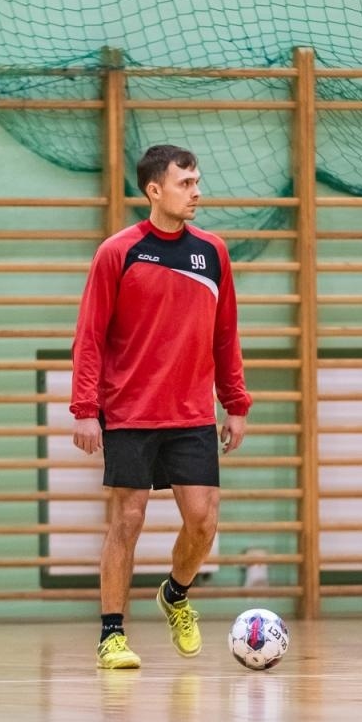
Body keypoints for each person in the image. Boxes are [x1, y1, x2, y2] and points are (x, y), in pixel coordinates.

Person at [70, 144, 251, 670]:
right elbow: (90, 336)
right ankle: (112, 636)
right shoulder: (117, 252)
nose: (196, 192)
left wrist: (235, 402)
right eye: (185, 183)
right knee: (128, 519)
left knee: (203, 521)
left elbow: (226, 335)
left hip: (192, 412)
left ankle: (175, 594)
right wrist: (85, 408)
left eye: (197, 182)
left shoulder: (212, 252)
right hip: (130, 411)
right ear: (155, 190)